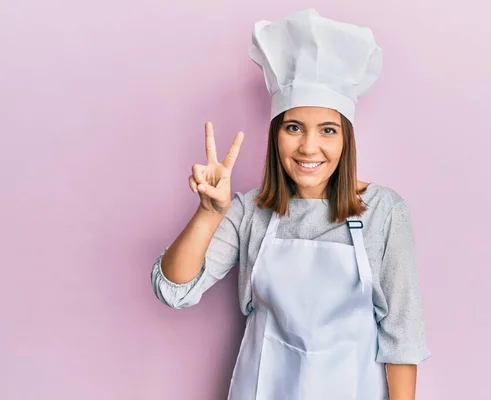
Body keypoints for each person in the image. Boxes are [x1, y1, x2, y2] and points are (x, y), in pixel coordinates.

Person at [151, 9, 431, 400]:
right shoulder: (250, 211)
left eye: (328, 131)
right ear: (276, 135)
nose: (308, 147)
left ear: (345, 140)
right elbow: (174, 290)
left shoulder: (384, 211)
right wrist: (209, 213)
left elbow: (402, 337)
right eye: (293, 127)